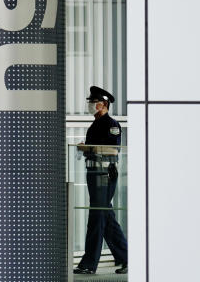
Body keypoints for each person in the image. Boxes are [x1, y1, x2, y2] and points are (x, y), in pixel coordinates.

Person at [75, 85, 128, 275]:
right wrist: (86, 148)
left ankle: (89, 263)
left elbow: (113, 150)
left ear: (104, 104)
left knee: (97, 216)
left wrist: (88, 149)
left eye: (94, 102)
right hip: (94, 174)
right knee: (105, 216)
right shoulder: (94, 124)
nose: (91, 105)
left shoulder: (111, 124)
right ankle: (126, 257)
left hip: (104, 175)